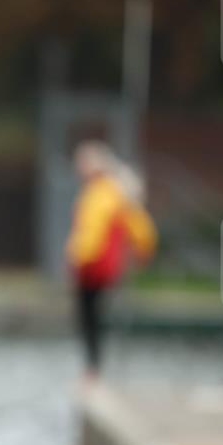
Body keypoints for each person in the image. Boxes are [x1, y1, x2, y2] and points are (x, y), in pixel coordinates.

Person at [66, 140, 157, 378]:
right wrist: (143, 249)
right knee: (93, 319)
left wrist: (76, 257)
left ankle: (93, 369)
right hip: (101, 267)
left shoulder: (101, 193)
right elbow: (139, 227)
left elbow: (92, 233)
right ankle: (95, 367)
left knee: (90, 319)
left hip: (95, 268)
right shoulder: (112, 191)